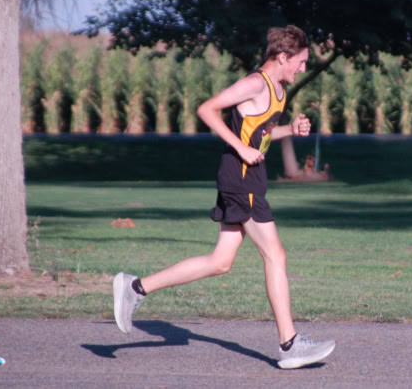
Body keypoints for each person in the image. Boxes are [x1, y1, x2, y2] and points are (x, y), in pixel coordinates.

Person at [112, 25, 336, 369]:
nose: (304, 67)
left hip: (250, 178)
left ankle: (135, 288)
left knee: (220, 262)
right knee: (275, 254)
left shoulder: (278, 90)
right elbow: (207, 109)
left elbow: (258, 134)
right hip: (240, 178)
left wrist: (289, 129)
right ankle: (289, 345)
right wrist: (240, 148)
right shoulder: (255, 83)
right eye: (301, 61)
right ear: (282, 57)